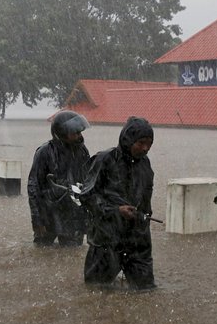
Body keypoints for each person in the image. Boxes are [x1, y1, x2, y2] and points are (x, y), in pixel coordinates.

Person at [82, 116, 157, 290]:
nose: (145, 148)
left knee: (145, 290)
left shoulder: (145, 164)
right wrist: (115, 210)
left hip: (137, 239)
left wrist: (144, 219)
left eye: (149, 143)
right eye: (141, 143)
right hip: (107, 238)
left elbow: (146, 199)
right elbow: (87, 196)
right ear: (128, 139)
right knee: (96, 291)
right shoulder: (104, 160)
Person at [27, 110, 91, 246]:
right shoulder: (44, 152)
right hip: (48, 212)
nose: (80, 136)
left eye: (80, 132)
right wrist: (37, 219)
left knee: (72, 253)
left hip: (73, 214)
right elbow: (33, 186)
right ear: (62, 133)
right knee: (42, 251)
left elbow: (87, 182)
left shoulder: (82, 151)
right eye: (75, 133)